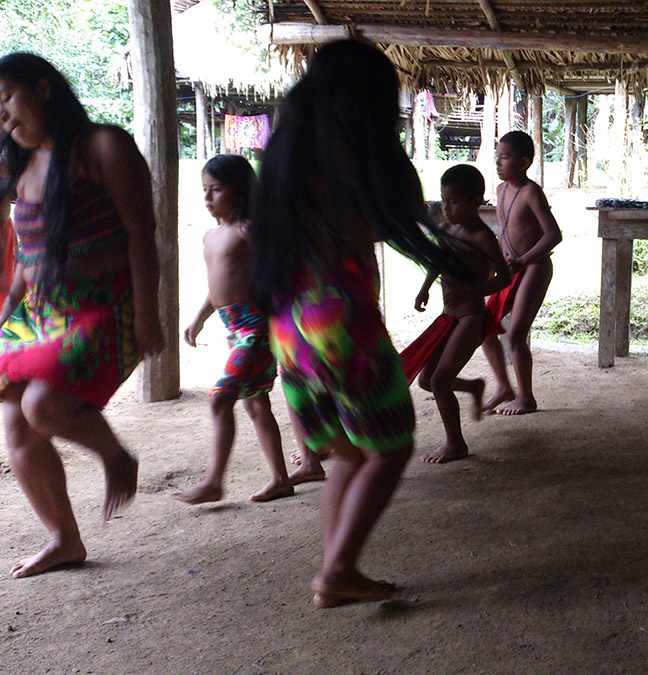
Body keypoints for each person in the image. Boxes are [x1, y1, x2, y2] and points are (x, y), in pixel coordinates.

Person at [249, 40, 466, 607]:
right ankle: (337, 569)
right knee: (390, 448)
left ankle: (337, 569)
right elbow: (389, 216)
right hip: (339, 321)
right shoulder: (353, 153)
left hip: (289, 327)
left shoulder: (286, 153)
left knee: (346, 453)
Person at [0, 53, 164, 577]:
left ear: (43, 90)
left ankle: (116, 456)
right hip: (41, 313)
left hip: (106, 307)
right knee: (13, 419)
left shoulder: (104, 147)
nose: (2, 116)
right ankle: (64, 540)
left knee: (43, 406)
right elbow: (29, 252)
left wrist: (147, 315)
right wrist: (8, 310)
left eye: (5, 99)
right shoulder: (18, 165)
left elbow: (142, 234)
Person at [175, 155, 292, 504]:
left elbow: (277, 274)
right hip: (234, 330)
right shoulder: (211, 237)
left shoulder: (249, 232)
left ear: (239, 192)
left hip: (257, 329)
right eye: (204, 190)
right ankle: (281, 479)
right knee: (257, 405)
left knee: (221, 397)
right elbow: (218, 288)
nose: (208, 198)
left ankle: (214, 481)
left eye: (216, 189)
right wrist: (200, 317)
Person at [404, 165, 510, 463]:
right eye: (444, 200)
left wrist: (480, 287)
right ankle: (474, 386)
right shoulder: (448, 228)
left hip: (471, 317)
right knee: (428, 381)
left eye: (455, 202)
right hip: (447, 315)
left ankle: (456, 444)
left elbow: (504, 275)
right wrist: (425, 287)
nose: (447, 209)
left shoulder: (482, 237)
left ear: (476, 200)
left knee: (439, 381)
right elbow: (439, 258)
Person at [480, 130, 562, 416]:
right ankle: (504, 386)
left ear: (524, 161)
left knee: (515, 334)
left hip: (535, 267)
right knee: (483, 326)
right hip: (510, 268)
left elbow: (553, 235)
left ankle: (526, 398)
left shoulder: (531, 192)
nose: (498, 163)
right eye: (497, 157)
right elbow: (504, 235)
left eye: (505, 157)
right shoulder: (501, 191)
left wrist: (524, 259)